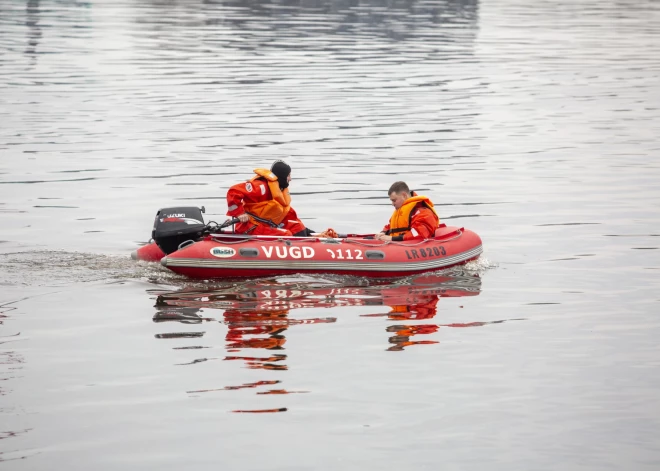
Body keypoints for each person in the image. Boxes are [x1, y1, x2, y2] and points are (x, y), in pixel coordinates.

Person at [226, 160, 317, 237]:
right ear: (282, 176)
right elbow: (234, 191)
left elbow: (287, 214)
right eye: (288, 176)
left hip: (265, 225)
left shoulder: (278, 190)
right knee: (286, 235)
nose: (290, 179)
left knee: (298, 227)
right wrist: (239, 213)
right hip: (250, 226)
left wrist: (307, 231)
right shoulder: (261, 186)